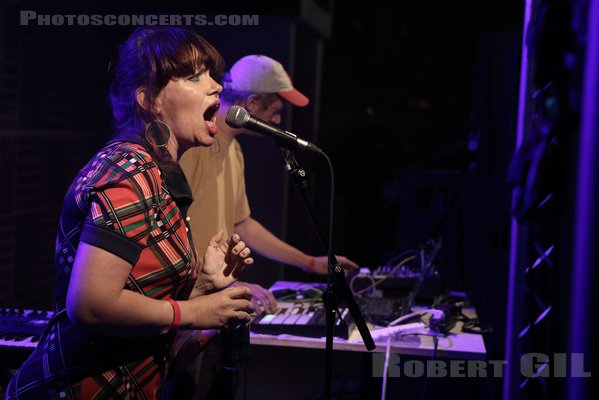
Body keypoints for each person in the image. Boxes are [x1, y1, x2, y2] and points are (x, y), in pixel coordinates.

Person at [4, 27, 255, 400]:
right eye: (194, 76)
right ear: (150, 99)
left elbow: (154, 353)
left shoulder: (159, 173)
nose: (216, 86)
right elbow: (90, 303)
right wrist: (196, 312)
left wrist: (205, 290)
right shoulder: (130, 169)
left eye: (212, 75)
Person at [179, 54, 359, 314]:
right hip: (190, 303)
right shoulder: (195, 147)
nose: (277, 122)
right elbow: (173, 228)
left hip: (211, 300)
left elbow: (242, 224)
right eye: (275, 111)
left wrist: (309, 263)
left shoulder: (234, 150)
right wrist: (220, 286)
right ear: (251, 103)